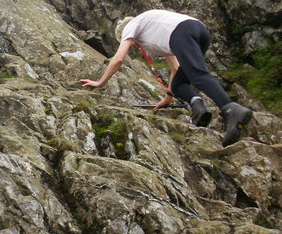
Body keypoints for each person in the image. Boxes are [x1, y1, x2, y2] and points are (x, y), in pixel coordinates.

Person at [79, 9, 253, 147]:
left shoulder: (131, 26)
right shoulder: (155, 29)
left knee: (198, 74)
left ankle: (231, 109)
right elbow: (175, 68)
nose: (133, 46)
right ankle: (199, 107)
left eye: (130, 43)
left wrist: (100, 82)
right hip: (198, 31)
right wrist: (168, 97)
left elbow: (118, 59)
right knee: (178, 85)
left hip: (183, 32)